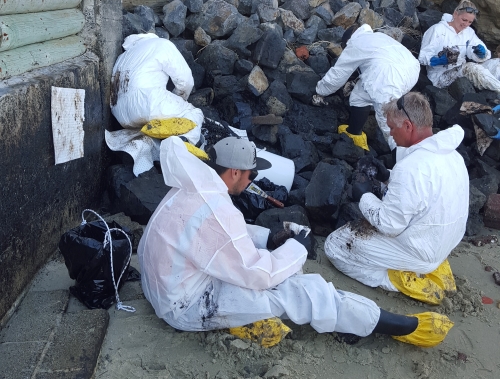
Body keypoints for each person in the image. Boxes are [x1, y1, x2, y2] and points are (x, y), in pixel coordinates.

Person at [138, 135, 453, 346]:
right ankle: (393, 325)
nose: (252, 181)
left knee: (268, 258)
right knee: (295, 293)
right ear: (234, 172)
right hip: (183, 305)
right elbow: (259, 276)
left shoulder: (190, 187)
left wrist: (269, 239)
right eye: (250, 175)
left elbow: (215, 237)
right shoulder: (217, 211)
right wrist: (294, 249)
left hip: (164, 286)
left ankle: (265, 313)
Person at [324, 93, 468, 300]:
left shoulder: (411, 168)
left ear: (408, 126)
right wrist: (386, 177)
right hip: (443, 241)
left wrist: (363, 195)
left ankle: (401, 281)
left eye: (392, 127)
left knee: (335, 246)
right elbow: (421, 193)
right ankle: (420, 265)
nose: (391, 134)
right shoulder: (451, 154)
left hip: (422, 251)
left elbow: (389, 225)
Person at [313, 23, 420, 151]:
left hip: (387, 80)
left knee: (389, 125)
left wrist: (320, 91)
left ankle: (404, 160)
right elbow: (376, 61)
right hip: (411, 71)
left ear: (348, 41)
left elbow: (338, 75)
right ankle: (354, 133)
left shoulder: (355, 44)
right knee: (359, 96)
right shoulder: (378, 36)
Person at [110, 32, 204, 143]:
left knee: (152, 127)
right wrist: (179, 99)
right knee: (194, 114)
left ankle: (150, 146)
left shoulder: (123, 56)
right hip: (148, 102)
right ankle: (183, 144)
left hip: (120, 115)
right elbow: (185, 80)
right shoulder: (162, 44)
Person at [419, 0, 500, 92]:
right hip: (441, 77)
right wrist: (437, 60)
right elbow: (422, 57)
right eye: (464, 20)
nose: (466, 24)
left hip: (461, 69)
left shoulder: (468, 32)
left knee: (497, 64)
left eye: (470, 22)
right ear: (455, 14)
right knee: (471, 68)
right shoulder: (437, 30)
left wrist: (482, 53)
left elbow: (478, 52)